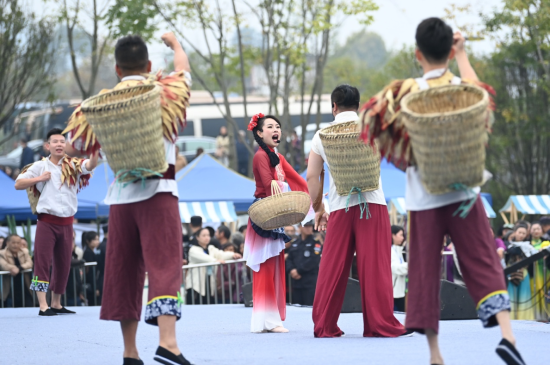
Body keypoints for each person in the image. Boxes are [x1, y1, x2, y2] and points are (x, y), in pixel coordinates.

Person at [359, 17, 523, 365]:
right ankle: (507, 336)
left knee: (424, 271)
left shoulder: (407, 93)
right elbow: (485, 103)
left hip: (424, 197)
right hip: (465, 195)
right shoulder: (465, 91)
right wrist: (462, 56)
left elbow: (374, 122)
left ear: (418, 54)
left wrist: (405, 156)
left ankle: (435, 355)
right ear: (450, 49)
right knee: (482, 260)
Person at [64, 33, 192, 365]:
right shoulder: (165, 95)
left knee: (124, 270)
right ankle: (168, 344)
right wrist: (175, 45)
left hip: (120, 199)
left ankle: (130, 352)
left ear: (117, 70)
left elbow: (75, 146)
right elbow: (182, 71)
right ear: (149, 66)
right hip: (159, 192)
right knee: (164, 265)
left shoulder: (100, 105)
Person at [307, 85, 408, 338]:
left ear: (334, 107)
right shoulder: (372, 129)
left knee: (333, 266)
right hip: (373, 204)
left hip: (340, 206)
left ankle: (324, 325)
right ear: (358, 106)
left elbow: (312, 176)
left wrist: (319, 208)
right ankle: (379, 324)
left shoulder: (321, 135)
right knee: (375, 266)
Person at [15, 128, 97, 316]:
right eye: (55, 141)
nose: (59, 144)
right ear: (47, 146)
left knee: (64, 263)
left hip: (67, 223)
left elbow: (90, 165)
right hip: (46, 221)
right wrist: (39, 179)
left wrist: (94, 147)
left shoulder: (74, 165)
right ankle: (43, 306)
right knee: (42, 262)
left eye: (62, 141)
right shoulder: (39, 166)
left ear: (66, 145)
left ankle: (57, 303)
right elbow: (18, 184)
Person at [243, 113, 311, 333]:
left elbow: (297, 180)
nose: (276, 129)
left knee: (275, 267)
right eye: (270, 126)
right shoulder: (260, 156)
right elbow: (267, 183)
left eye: (278, 126)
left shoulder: (278, 157)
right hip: (264, 214)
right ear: (260, 133)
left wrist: (315, 196)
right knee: (265, 268)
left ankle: (270, 320)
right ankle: (268, 321)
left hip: (276, 214)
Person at [186, 228, 241, 304]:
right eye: (204, 235)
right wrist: (215, 261)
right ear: (197, 237)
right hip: (195, 286)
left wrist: (233, 255)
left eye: (208, 235)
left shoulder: (211, 248)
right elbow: (203, 257)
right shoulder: (193, 250)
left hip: (208, 284)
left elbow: (221, 254)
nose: (206, 237)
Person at [285, 220, 322, 306]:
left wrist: (299, 271)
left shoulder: (315, 242)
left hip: (309, 282)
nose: (308, 228)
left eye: (310, 226)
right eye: (306, 226)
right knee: (297, 308)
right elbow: (289, 259)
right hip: (296, 283)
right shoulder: (295, 243)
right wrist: (291, 270)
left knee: (309, 307)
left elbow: (314, 260)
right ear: (300, 227)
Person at [0, 234, 33, 307]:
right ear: (7, 243)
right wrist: (14, 268)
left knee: (28, 306)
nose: (16, 245)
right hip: (9, 288)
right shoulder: (2, 253)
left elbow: (30, 263)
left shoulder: (25, 252)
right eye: (13, 242)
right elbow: (3, 266)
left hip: (25, 287)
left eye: (18, 243)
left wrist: (19, 268)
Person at [391, 226, 408, 312]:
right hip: (393, 292)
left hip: (400, 291)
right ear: (393, 235)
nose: (402, 238)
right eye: (400, 235)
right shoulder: (390, 250)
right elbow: (395, 268)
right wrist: (410, 266)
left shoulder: (398, 250)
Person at [82, 231, 101, 305]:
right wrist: (95, 288)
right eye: (95, 239)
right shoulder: (88, 253)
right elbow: (90, 273)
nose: (97, 242)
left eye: (98, 239)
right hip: (91, 285)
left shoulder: (92, 252)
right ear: (88, 241)